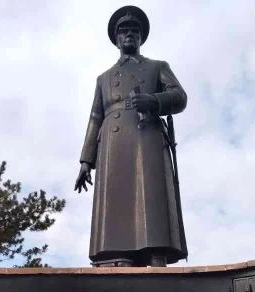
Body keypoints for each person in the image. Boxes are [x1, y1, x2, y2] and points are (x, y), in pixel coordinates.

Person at [74, 5, 188, 267]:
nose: (129, 34)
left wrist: (153, 100)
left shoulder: (157, 66)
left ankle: (155, 252)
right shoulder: (104, 78)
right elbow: (94, 118)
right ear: (116, 39)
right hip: (112, 144)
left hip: (146, 136)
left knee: (150, 196)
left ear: (141, 37)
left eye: (134, 31)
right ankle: (116, 256)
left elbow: (180, 97)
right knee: (116, 200)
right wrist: (85, 161)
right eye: (124, 31)